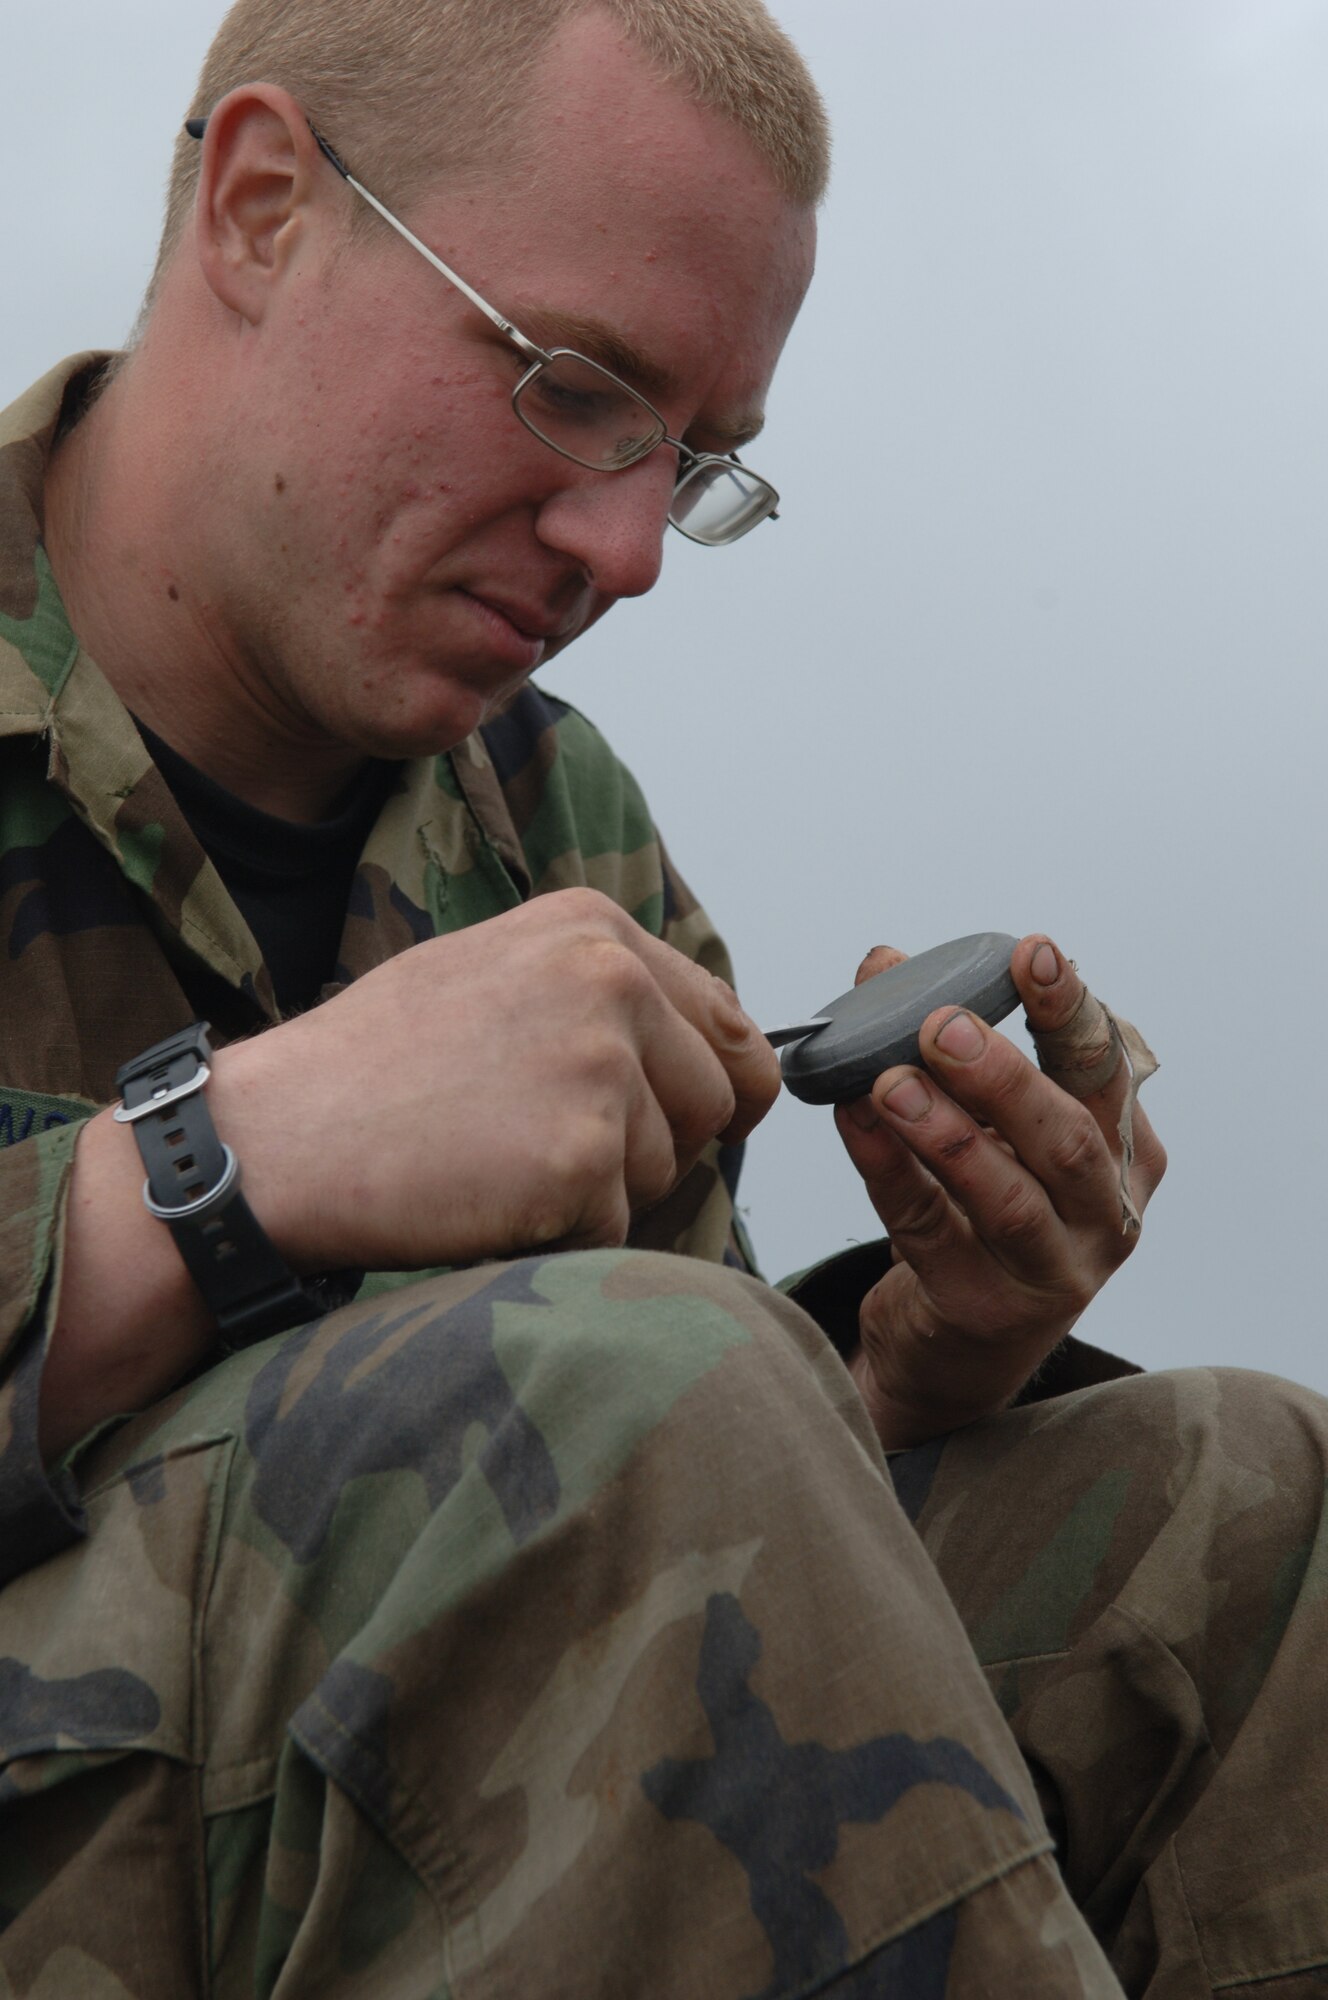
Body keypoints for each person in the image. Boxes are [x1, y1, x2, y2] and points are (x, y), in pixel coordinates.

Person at [0, 2, 1324, 1994]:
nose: (627, 547)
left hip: (353, 1786)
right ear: (264, 209)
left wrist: (908, 1373)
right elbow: (611, 1435)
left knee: (1246, 1505)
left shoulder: (550, 824)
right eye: (569, 385)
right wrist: (215, 1166)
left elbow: (665, 1515)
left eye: (695, 463)